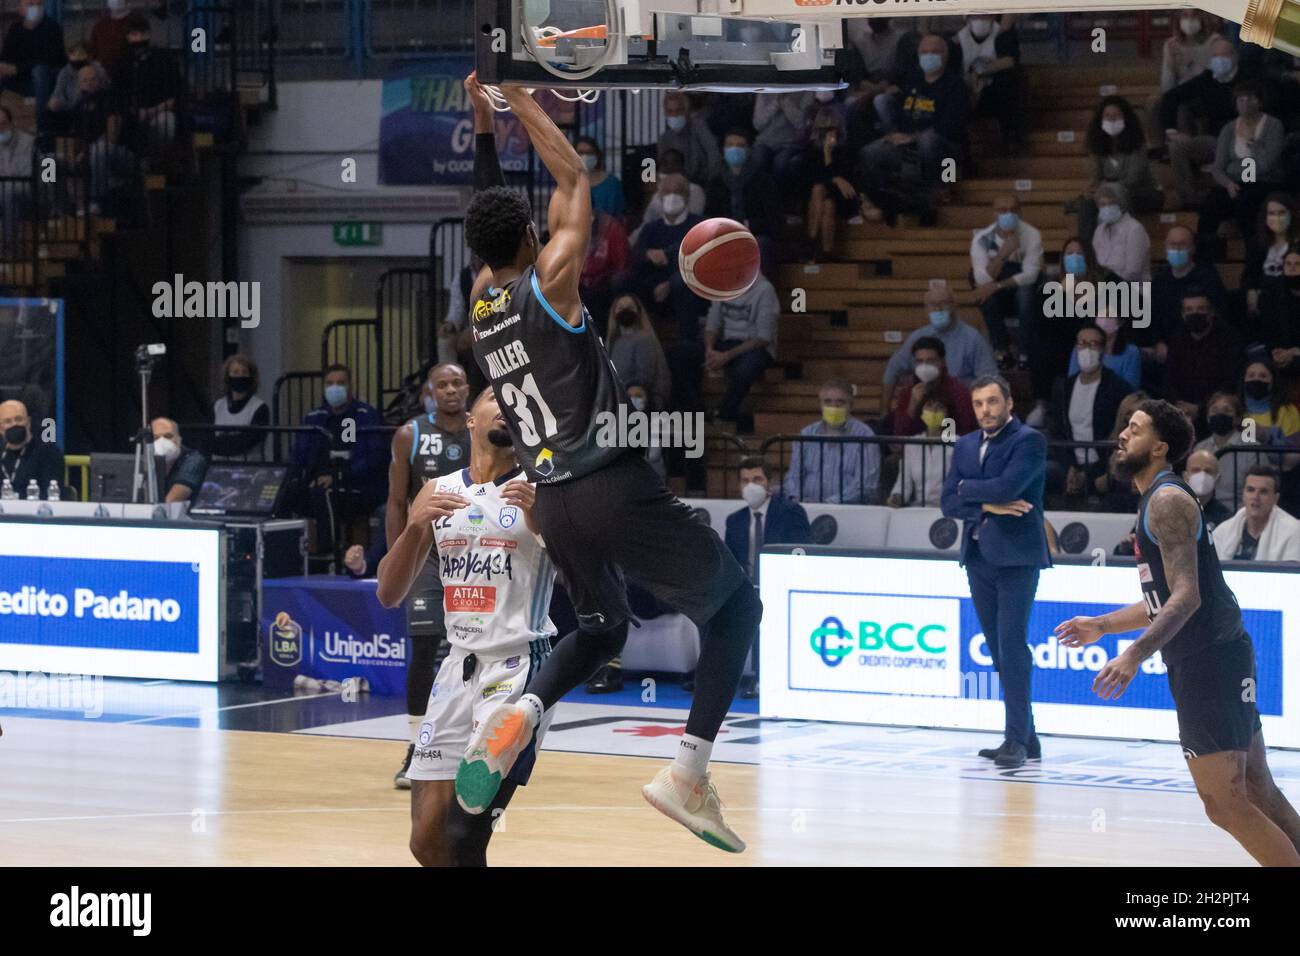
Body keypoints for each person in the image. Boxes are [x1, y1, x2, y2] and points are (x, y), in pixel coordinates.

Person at [460, 73, 760, 851]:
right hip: (609, 484)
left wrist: (485, 129)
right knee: (736, 612)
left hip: (553, 499)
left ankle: (523, 710)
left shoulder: (481, 302)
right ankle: (687, 772)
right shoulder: (549, 281)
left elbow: (490, 218)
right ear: (530, 239)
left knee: (600, 629)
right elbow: (574, 177)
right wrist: (519, 96)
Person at [1056, 401, 1300, 866]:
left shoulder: (1167, 501)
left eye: (1135, 428)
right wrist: (1102, 626)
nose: (1123, 435)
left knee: (1224, 803)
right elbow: (1164, 601)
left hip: (1209, 659)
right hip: (1219, 653)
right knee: (1254, 789)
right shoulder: (1158, 499)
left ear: (1160, 447)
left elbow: (1186, 598)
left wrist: (1132, 655)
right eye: (1125, 426)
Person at [376, 387, 555, 867]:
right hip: (457, 668)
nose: (506, 404)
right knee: (426, 842)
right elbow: (389, 594)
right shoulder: (438, 491)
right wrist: (414, 526)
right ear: (470, 421)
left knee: (463, 837)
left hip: (519, 666)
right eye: (495, 397)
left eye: (516, 401)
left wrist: (543, 524)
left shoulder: (544, 489)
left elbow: (591, 584)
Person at [941, 375, 1049, 768]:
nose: (985, 410)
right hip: (977, 554)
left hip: (1017, 556)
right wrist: (987, 506)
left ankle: (1015, 739)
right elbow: (945, 501)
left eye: (992, 402)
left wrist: (972, 491)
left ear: (1008, 403)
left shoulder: (1029, 441)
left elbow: (1008, 487)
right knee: (999, 650)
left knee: (1012, 646)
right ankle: (1027, 737)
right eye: (978, 404)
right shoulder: (966, 444)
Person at [384, 363, 471, 790]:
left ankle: (472, 746)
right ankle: (416, 747)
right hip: (428, 555)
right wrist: (396, 556)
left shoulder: (487, 429)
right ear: (429, 393)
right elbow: (396, 502)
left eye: (458, 383)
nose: (451, 390)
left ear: (467, 388)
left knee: (475, 647)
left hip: (476, 551)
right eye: (443, 384)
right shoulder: (410, 434)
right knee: (423, 646)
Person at [725, 456, 811, 699]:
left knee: (762, 608)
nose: (751, 485)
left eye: (757, 479)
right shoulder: (735, 521)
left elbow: (804, 550)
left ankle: (762, 678)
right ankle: (713, 678)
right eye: (745, 480)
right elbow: (729, 560)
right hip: (746, 587)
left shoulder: (790, 512)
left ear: (769, 483)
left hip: (783, 584)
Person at [858, 34, 968, 223]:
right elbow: (901, 110)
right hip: (907, 144)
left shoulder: (955, 85)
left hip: (946, 152)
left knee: (929, 141)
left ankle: (939, 190)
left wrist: (914, 137)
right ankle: (884, 200)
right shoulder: (913, 80)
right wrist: (895, 134)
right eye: (924, 52)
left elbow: (951, 126)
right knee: (870, 152)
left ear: (945, 55)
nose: (929, 56)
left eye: (934, 52)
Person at [292, 364, 387, 556]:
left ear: (351, 386)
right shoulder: (315, 418)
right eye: (330, 383)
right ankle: (293, 559)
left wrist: (337, 476)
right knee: (290, 493)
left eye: (340, 383)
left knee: (324, 493)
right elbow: (299, 455)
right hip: (318, 481)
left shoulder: (362, 416)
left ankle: (329, 555)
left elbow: (370, 458)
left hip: (358, 485)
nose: (335, 388)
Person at [1159, 38, 1253, 210]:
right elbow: (1170, 97)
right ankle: (1190, 200)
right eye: (1216, 56)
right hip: (1214, 141)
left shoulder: (1249, 78)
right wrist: (1172, 131)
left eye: (1224, 55)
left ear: (1234, 57)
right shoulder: (1207, 78)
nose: (1220, 60)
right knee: (1177, 147)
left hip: (1243, 141)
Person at [1196, 80, 1285, 258]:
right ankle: (1208, 258)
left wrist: (1251, 141)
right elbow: (1218, 167)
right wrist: (1228, 183)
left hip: (1263, 182)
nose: (1243, 102)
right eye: (1239, 99)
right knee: (1210, 206)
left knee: (1246, 203)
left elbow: (1267, 164)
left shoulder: (1273, 125)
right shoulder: (1229, 128)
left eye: (1248, 98)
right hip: (1234, 181)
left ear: (1258, 101)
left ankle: (1253, 258)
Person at [880, 284, 997, 413]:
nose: (938, 309)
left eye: (943, 303)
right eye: (932, 305)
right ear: (926, 309)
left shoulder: (973, 338)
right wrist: (884, 414)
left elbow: (989, 380)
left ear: (954, 306)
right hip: (924, 408)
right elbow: (892, 369)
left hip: (961, 408)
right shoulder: (918, 337)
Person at [1048, 324, 1132, 500]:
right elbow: (1058, 432)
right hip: (1069, 463)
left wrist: (1090, 473)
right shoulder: (1063, 388)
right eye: (1083, 343)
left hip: (1104, 464)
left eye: (1093, 344)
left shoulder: (1118, 389)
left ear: (1103, 349)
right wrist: (1070, 466)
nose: (1087, 349)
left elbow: (1119, 437)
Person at [1078, 96, 1163, 242]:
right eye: (1107, 116)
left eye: (1116, 116)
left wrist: (1106, 188)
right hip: (1109, 193)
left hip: (1142, 193)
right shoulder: (1096, 144)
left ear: (1125, 118)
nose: (1111, 120)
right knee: (1086, 202)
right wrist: (1091, 189)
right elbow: (1096, 176)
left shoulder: (1137, 143)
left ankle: (1120, 242)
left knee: (1114, 192)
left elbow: (1133, 179)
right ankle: (1090, 254)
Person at [782, 379, 880, 504]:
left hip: (848, 510)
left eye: (841, 402)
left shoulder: (866, 436)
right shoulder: (806, 433)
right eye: (827, 402)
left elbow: (867, 485)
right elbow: (794, 475)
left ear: (851, 405)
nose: (833, 407)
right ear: (820, 404)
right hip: (806, 508)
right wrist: (797, 498)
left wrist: (829, 504)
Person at [969, 194, 1043, 360]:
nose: (1008, 214)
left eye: (1013, 210)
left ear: (1021, 212)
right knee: (985, 296)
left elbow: (1031, 275)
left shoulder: (1032, 234)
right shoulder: (982, 238)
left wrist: (996, 286)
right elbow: (981, 279)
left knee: (1026, 293)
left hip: (1022, 290)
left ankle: (1025, 352)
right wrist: (1003, 253)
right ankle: (1001, 350)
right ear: (994, 213)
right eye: (1002, 210)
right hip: (998, 294)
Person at [704, 128, 784, 278]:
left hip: (756, 235)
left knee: (762, 246)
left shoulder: (763, 181)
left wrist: (745, 225)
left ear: (748, 150)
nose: (735, 148)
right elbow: (709, 216)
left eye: (740, 145)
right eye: (730, 145)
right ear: (723, 150)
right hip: (724, 236)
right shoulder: (716, 182)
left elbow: (775, 220)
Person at [703, 271, 779, 428]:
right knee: (681, 354)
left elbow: (763, 338)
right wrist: (709, 349)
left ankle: (724, 414)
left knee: (745, 368)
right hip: (726, 343)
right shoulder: (722, 285)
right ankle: (691, 410)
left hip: (755, 346)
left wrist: (726, 356)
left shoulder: (765, 289)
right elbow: (712, 324)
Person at [1161, 289, 1244, 427]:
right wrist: (1177, 404)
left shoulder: (1229, 339)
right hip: (1180, 411)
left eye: (1201, 309)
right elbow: (1168, 377)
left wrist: (1201, 407)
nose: (1195, 313)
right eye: (1189, 309)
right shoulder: (1177, 338)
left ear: (1211, 312)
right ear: (1183, 314)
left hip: (1216, 411)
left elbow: (1230, 381)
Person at [112, 14, 184, 163]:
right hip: (131, 117)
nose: (138, 38)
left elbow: (174, 96)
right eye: (133, 34)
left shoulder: (164, 59)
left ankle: (153, 162)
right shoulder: (123, 63)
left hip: (159, 112)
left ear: (149, 34)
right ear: (127, 37)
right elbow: (118, 97)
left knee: (166, 122)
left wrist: (150, 111)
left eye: (142, 33)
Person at [802, 108, 871, 263]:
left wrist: (829, 158)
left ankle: (811, 242)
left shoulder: (847, 150)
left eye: (831, 129)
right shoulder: (810, 151)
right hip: (818, 198)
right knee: (823, 197)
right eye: (824, 130)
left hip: (844, 198)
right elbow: (814, 177)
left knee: (826, 197)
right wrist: (835, 177)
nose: (828, 134)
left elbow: (847, 180)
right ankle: (823, 249)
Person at [953, 13, 1024, 151]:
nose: (980, 19)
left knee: (1009, 82)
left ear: (993, 17)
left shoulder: (1002, 35)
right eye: (975, 16)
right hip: (968, 94)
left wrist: (980, 71)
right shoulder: (957, 41)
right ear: (966, 18)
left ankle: (1011, 140)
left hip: (995, 94)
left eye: (985, 15)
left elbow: (1010, 61)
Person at [1150, 224, 1228, 343]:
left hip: (1200, 344)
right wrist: (1158, 342)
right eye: (1172, 244)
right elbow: (1153, 316)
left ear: (1193, 248)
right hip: (1166, 347)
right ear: (1165, 248)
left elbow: (1217, 315)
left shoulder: (1207, 277)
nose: (1176, 249)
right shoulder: (1160, 280)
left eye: (1182, 244)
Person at [886, 336, 977, 437]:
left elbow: (968, 434)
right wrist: (912, 405)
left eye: (930, 361)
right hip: (914, 451)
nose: (924, 366)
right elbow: (900, 435)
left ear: (942, 362)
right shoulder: (907, 393)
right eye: (919, 361)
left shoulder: (959, 393)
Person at [1212, 464, 1300, 562]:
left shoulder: (1293, 532)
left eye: (1263, 492)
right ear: (1243, 495)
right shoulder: (1222, 532)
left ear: (1275, 499)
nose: (1256, 497)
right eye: (1250, 490)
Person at [0, 0, 64, 130]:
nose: (36, 7)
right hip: (20, 81)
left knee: (39, 71)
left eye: (39, 4)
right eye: (31, 4)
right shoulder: (15, 29)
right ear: (21, 9)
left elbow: (51, 60)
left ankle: (43, 129)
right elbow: (7, 56)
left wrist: (18, 69)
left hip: (45, 82)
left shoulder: (52, 27)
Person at [605, 294, 671, 414]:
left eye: (630, 307)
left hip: (643, 399)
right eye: (620, 308)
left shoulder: (644, 338)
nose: (625, 310)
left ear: (638, 312)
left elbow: (645, 377)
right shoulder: (612, 341)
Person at [887, 393, 953, 508]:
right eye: (929, 405)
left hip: (947, 509)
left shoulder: (957, 444)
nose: (934, 411)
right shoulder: (912, 444)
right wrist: (897, 496)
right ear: (922, 411)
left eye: (940, 407)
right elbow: (904, 482)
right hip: (917, 509)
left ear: (947, 414)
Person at [1244, 193, 1299, 324]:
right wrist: (1251, 291)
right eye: (1272, 213)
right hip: (1264, 300)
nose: (1277, 218)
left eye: (1281, 213)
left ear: (1291, 214)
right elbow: (1249, 273)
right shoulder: (1257, 243)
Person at [211, 353, 269, 459]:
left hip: (249, 468)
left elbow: (248, 440)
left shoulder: (260, 408)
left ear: (251, 377)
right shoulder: (217, 406)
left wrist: (220, 442)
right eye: (235, 372)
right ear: (227, 377)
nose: (240, 376)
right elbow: (206, 439)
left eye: (244, 372)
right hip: (218, 467)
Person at [0, 398, 62, 497]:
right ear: (1, 428)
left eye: (19, 419)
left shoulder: (47, 453)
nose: (14, 424)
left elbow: (50, 495)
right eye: (8, 421)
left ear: (28, 422)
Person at [658, 91, 720, 187]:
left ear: (686, 111)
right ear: (665, 113)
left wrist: (712, 182)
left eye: (678, 110)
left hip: (702, 184)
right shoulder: (665, 139)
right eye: (670, 111)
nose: (674, 115)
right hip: (675, 186)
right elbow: (662, 168)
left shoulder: (699, 127)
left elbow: (713, 152)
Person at [1067, 310, 1142, 390]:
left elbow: (1131, 390)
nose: (1104, 319)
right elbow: (1072, 383)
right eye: (1100, 314)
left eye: (1109, 315)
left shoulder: (1131, 352)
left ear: (1121, 321)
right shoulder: (1080, 347)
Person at [1091, 182, 1151, 282]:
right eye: (1103, 204)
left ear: (1121, 204)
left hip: (1132, 289)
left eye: (1111, 203)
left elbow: (1133, 272)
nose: (1107, 208)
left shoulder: (1135, 229)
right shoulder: (1099, 231)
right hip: (1105, 289)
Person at [751, 90, 812, 181]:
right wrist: (775, 104)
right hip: (765, 142)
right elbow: (757, 124)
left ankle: (779, 194)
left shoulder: (806, 91)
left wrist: (784, 102)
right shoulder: (764, 91)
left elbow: (801, 123)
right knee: (758, 159)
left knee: (780, 163)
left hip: (791, 144)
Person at [150, 417, 208, 504]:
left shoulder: (193, 459)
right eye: (156, 438)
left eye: (168, 436)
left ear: (179, 439)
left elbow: (171, 501)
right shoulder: (146, 459)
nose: (161, 441)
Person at [1184, 448, 1235, 530]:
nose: (1202, 475)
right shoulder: (1173, 511)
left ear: (1217, 479)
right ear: (1185, 477)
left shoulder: (1226, 519)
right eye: (1196, 470)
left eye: (1208, 471)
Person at [575, 136, 622, 219]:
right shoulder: (568, 183)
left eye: (590, 152)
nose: (585, 156)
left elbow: (620, 215)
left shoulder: (612, 183)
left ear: (597, 155)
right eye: (580, 152)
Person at [88, 0, 134, 75]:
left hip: (128, 75)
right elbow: (92, 52)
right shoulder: (100, 25)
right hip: (102, 75)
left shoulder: (136, 23)